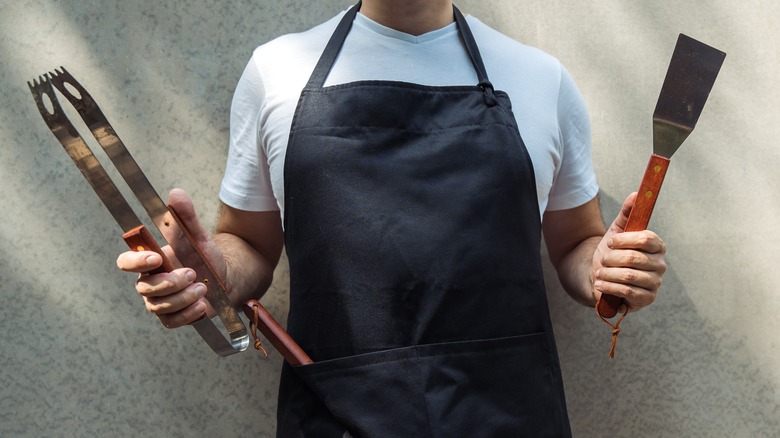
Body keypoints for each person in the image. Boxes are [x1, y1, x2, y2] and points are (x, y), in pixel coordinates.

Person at [117, 0, 667, 436]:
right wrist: (214, 276)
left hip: (508, 414)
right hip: (338, 416)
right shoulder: (277, 70)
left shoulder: (541, 79)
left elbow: (575, 242)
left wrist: (604, 269)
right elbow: (249, 245)